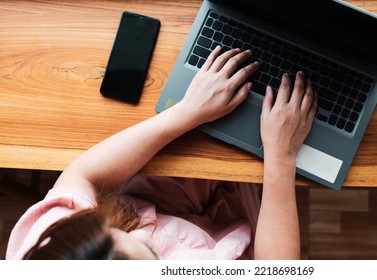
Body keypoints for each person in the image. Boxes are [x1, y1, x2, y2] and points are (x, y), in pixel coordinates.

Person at [6, 45, 317, 260]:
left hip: (158, 204)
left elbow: (81, 174)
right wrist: (281, 156)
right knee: (255, 157)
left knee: (220, 133)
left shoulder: (49, 252)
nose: (143, 236)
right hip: (233, 250)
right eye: (152, 256)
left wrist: (188, 112)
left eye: (110, 233)